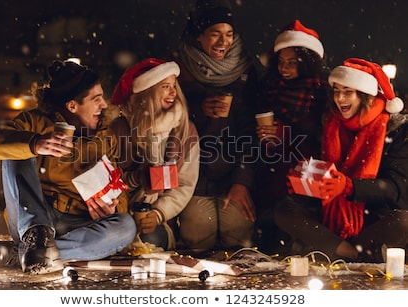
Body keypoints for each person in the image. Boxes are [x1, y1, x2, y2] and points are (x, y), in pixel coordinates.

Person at [0, 60, 136, 273]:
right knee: (17, 149)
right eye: (96, 99)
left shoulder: (106, 136)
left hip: (77, 226)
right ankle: (35, 238)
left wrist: (113, 206)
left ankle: (22, 254)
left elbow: (119, 189)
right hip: (34, 217)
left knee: (125, 226)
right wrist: (35, 143)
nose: (104, 105)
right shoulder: (35, 122)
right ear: (72, 105)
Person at [274, 58, 407, 262]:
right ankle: (355, 254)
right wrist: (304, 182)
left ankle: (328, 247)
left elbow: (395, 189)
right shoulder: (330, 123)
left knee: (403, 222)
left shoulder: (395, 129)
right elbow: (322, 172)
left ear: (365, 95)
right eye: (336, 91)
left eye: (347, 92)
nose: (340, 98)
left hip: (374, 217)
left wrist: (349, 187)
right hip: (330, 214)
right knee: (285, 209)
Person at [171, 0, 259, 251]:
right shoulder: (179, 69)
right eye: (215, 34)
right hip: (194, 175)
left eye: (229, 34)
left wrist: (242, 180)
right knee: (199, 234)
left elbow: (250, 130)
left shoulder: (245, 71)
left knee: (238, 234)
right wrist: (199, 111)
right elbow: (167, 124)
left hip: (233, 172)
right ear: (199, 37)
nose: (223, 42)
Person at [253, 20, 330, 254]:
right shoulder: (268, 87)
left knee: (294, 234)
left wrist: (285, 133)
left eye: (292, 63)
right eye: (281, 62)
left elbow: (321, 136)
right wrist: (264, 136)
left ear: (306, 63)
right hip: (271, 171)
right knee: (267, 235)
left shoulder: (320, 92)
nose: (284, 68)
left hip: (305, 174)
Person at [109, 58, 200, 251]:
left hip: (158, 217)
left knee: (151, 240)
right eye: (165, 86)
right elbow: (109, 181)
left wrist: (158, 213)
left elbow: (184, 184)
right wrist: (136, 179)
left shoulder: (185, 131)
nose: (173, 92)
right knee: (118, 238)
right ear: (147, 92)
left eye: (174, 86)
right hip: (121, 212)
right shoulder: (119, 129)